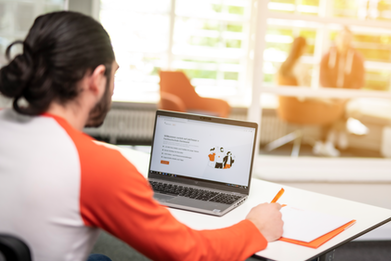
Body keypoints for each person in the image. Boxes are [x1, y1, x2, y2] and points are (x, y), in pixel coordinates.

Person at [0, 11, 283, 261]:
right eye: (114, 75)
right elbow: (189, 252)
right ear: (97, 79)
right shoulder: (96, 164)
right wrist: (254, 228)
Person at [315, 26, 365, 157]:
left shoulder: (357, 58)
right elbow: (322, 77)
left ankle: (333, 136)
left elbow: (359, 81)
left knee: (350, 107)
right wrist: (333, 95)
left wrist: (346, 96)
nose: (344, 41)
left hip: (348, 96)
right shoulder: (327, 56)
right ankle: (328, 140)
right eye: (342, 37)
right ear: (337, 38)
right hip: (330, 94)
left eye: (347, 38)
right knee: (328, 106)